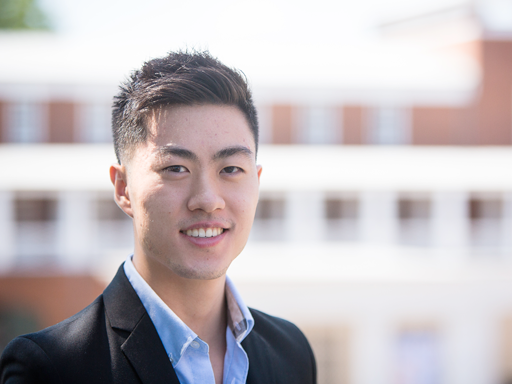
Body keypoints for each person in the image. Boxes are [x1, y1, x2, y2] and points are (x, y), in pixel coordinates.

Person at [0, 51, 317, 384]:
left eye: (231, 169)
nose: (207, 200)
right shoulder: (51, 368)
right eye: (176, 168)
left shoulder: (291, 352)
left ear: (256, 180)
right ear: (123, 188)